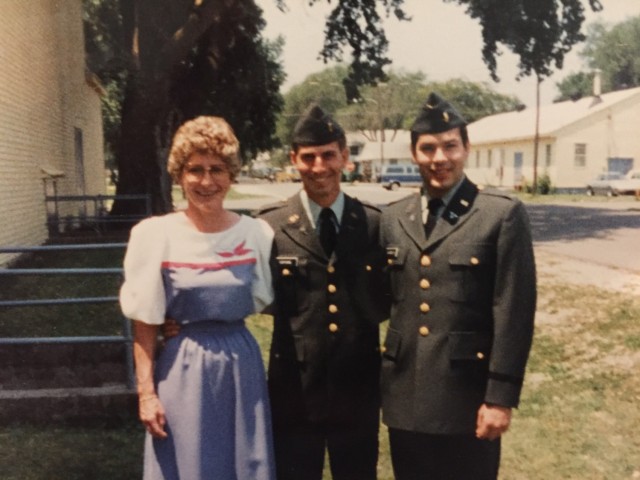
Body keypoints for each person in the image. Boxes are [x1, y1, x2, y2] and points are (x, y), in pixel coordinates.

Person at [379, 93, 536, 480]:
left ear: (466, 148)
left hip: (467, 400)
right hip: (406, 399)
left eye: (450, 146)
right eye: (428, 148)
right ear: (414, 154)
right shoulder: (392, 218)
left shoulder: (500, 215)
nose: (439, 158)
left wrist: (500, 398)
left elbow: (513, 312)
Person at [119, 116, 276, 480]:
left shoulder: (255, 233)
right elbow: (144, 322)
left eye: (217, 169)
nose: (207, 181)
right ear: (179, 175)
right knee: (187, 463)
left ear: (231, 174)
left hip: (241, 363)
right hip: (182, 366)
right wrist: (147, 394)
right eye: (195, 170)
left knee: (243, 464)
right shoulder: (155, 235)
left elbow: (268, 299)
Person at [257, 105, 390, 480]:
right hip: (294, 388)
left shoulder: (374, 224)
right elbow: (243, 289)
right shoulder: (270, 226)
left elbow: (389, 295)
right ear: (294, 160)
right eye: (309, 157)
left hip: (357, 387)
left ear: (345, 158)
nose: (320, 167)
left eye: (329, 155)